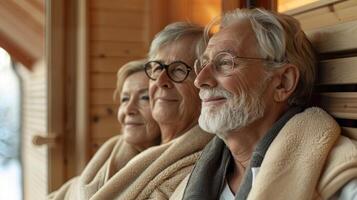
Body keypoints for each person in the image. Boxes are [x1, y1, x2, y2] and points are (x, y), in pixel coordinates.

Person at [170, 8, 357, 200]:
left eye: (225, 62)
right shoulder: (198, 176)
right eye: (203, 64)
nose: (200, 80)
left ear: (283, 82)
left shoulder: (340, 180)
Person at [89, 22, 213, 200]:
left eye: (178, 70)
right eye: (157, 68)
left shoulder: (201, 166)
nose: (161, 80)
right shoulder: (135, 149)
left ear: (204, 83)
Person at [48, 59, 161, 199]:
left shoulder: (170, 173)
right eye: (125, 99)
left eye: (145, 98)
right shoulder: (112, 149)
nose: (128, 109)